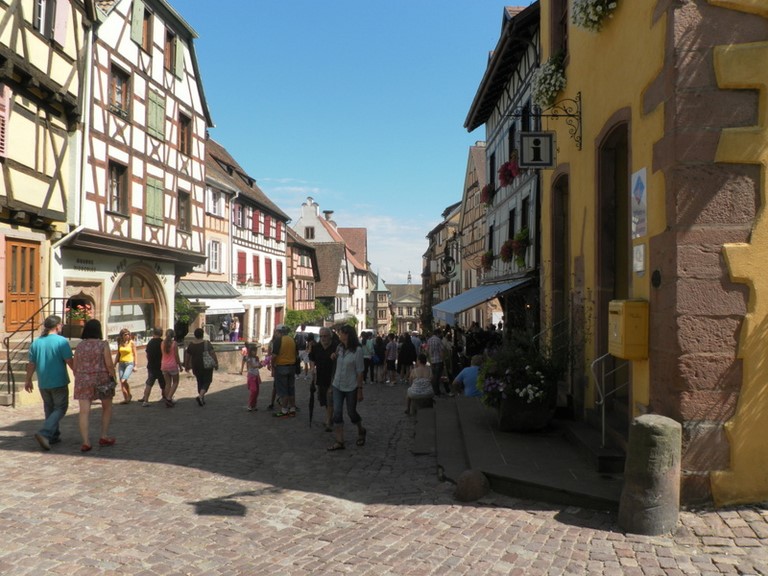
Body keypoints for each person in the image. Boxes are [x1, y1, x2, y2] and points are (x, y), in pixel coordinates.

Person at [24, 315, 74, 451]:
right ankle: (45, 433)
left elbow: (31, 364)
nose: (62, 326)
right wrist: (77, 372)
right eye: (61, 324)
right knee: (61, 408)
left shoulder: (36, 343)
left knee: (49, 408)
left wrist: (28, 380)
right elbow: (69, 360)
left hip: (43, 381)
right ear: (57, 326)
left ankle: (53, 436)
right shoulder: (61, 341)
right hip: (58, 380)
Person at [74, 319, 119, 452]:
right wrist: (114, 377)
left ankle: (86, 441)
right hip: (102, 379)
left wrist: (81, 376)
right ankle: (104, 435)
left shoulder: (80, 346)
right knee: (106, 407)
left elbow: (75, 366)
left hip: (83, 379)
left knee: (84, 412)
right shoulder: (103, 345)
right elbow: (109, 364)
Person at [327, 324, 366, 451]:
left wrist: (360, 390)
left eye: (342, 333)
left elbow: (360, 371)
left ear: (348, 335)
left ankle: (361, 430)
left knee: (351, 413)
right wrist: (333, 356)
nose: (339, 334)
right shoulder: (339, 347)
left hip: (351, 386)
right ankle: (340, 441)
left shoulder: (357, 351)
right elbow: (336, 361)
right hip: (337, 384)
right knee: (337, 412)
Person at [309, 327, 339, 431]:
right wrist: (312, 368)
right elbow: (312, 358)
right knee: (323, 400)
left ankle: (328, 421)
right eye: (321, 336)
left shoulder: (336, 346)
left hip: (333, 377)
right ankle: (330, 417)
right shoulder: (316, 347)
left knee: (330, 398)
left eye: (325, 336)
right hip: (321, 377)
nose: (323, 338)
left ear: (330, 336)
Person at [270, 324, 298, 418]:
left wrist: (272, 366)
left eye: (276, 332)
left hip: (281, 367)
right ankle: (292, 409)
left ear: (279, 332)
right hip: (292, 367)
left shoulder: (278, 340)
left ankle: (284, 410)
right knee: (291, 389)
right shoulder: (292, 340)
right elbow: (296, 354)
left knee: (283, 390)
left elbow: (274, 356)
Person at [184, 328, 218, 406]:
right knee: (207, 381)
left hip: (196, 365)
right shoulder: (207, 343)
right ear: (202, 335)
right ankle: (200, 396)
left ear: (195, 335)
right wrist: (216, 363)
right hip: (206, 365)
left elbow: (187, 356)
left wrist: (186, 365)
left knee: (199, 381)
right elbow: (213, 354)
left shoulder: (191, 345)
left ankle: (201, 397)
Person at [140, 327, 164, 406]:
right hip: (160, 365)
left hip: (151, 365)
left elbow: (147, 354)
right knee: (163, 383)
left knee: (149, 383)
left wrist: (150, 361)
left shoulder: (150, 342)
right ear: (161, 333)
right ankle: (165, 397)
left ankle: (145, 400)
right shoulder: (162, 342)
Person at [114, 328, 137, 404]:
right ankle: (127, 397)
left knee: (123, 380)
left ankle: (127, 397)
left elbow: (135, 354)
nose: (127, 336)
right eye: (125, 334)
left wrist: (135, 365)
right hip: (121, 363)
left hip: (129, 363)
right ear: (122, 336)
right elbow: (118, 354)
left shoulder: (131, 343)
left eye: (128, 334)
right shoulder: (120, 343)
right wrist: (114, 364)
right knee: (122, 382)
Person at [161, 329, 182, 407]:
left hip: (164, 365)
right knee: (175, 382)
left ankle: (167, 398)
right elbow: (176, 355)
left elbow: (163, 354)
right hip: (172, 365)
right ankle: (169, 398)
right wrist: (180, 366)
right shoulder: (174, 343)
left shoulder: (162, 343)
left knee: (168, 383)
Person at [426, 328, 445, 396]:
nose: (441, 335)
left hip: (432, 361)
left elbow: (427, 351)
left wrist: (429, 360)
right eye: (440, 333)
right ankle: (436, 391)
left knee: (434, 376)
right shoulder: (438, 340)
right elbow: (441, 351)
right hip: (438, 360)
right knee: (438, 377)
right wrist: (443, 360)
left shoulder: (429, 340)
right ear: (438, 333)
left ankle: (434, 390)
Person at [245, 345, 263, 411]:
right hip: (251, 376)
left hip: (256, 375)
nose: (255, 352)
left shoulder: (257, 358)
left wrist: (262, 364)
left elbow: (259, 366)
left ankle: (254, 405)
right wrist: (258, 365)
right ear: (250, 351)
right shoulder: (248, 358)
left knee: (257, 392)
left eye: (255, 351)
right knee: (253, 391)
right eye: (253, 351)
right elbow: (251, 365)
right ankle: (250, 405)